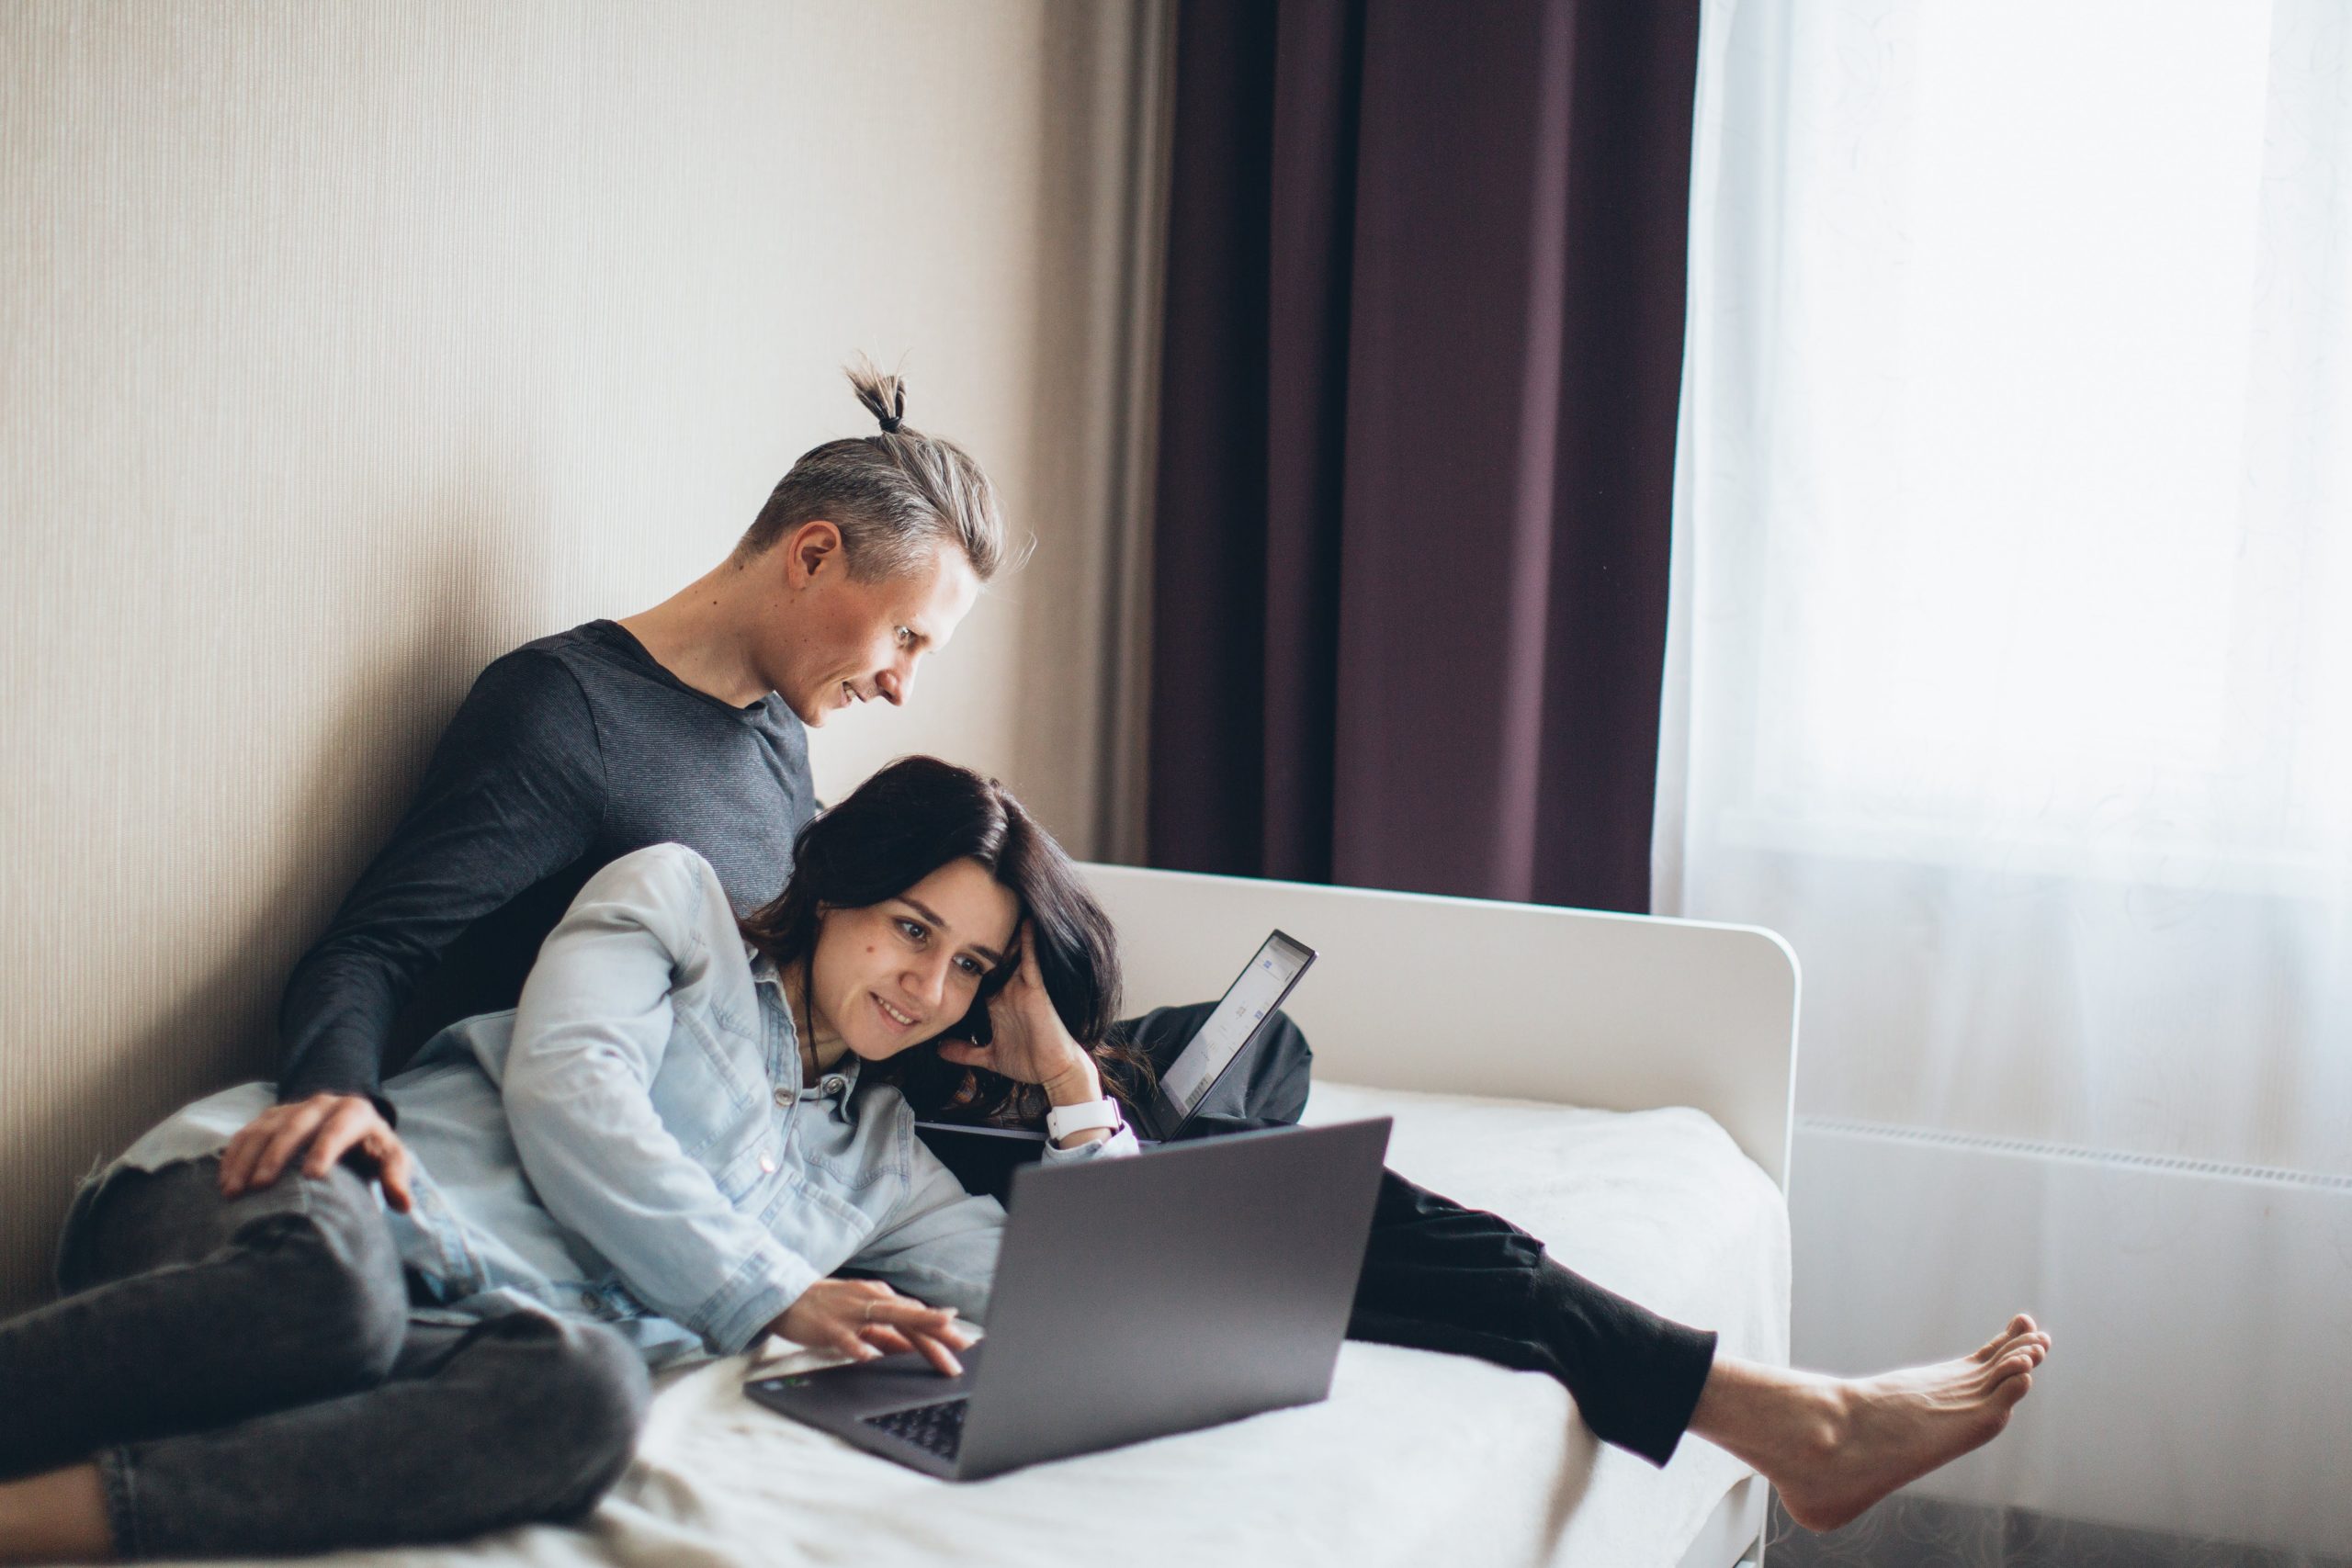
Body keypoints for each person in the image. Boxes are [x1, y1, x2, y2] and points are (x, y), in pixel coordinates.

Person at [176, 364, 2038, 1530]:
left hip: (871, 1095)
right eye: (901, 641)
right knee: (1308, 1202)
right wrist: (336, 1097)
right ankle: (1753, 1406)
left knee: (1230, 1084)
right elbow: (376, 943)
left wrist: (1023, 1039)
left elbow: (827, 966)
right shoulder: (566, 715)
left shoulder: (763, 731)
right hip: (820, 1132)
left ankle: (1718, 1385)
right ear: (811, 555)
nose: (901, 685)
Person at [0, 758, 1140, 1562]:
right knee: (333, 1298)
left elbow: (1081, 1308)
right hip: (301, 1200)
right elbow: (571, 1091)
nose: (926, 987)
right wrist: (773, 1293)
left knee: (587, 1394)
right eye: (911, 928)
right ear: (841, 883)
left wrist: (1068, 1084)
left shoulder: (882, 1162)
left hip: (443, 1332)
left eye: (971, 967)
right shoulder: (676, 902)